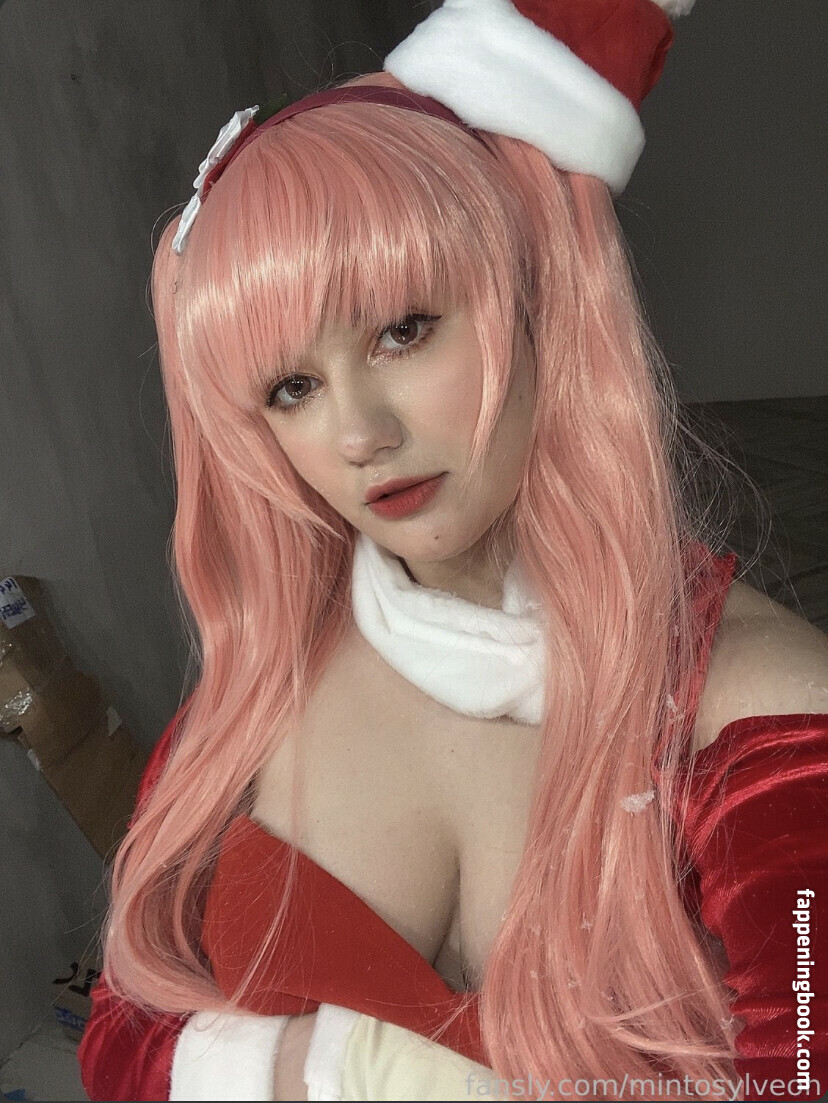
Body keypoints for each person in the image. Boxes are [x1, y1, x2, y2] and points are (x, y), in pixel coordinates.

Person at [78, 1, 828, 1100]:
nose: (359, 433)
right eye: (292, 386)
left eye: (403, 330)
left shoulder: (763, 708)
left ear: (537, 299)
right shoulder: (253, 690)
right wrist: (333, 1069)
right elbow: (122, 1033)